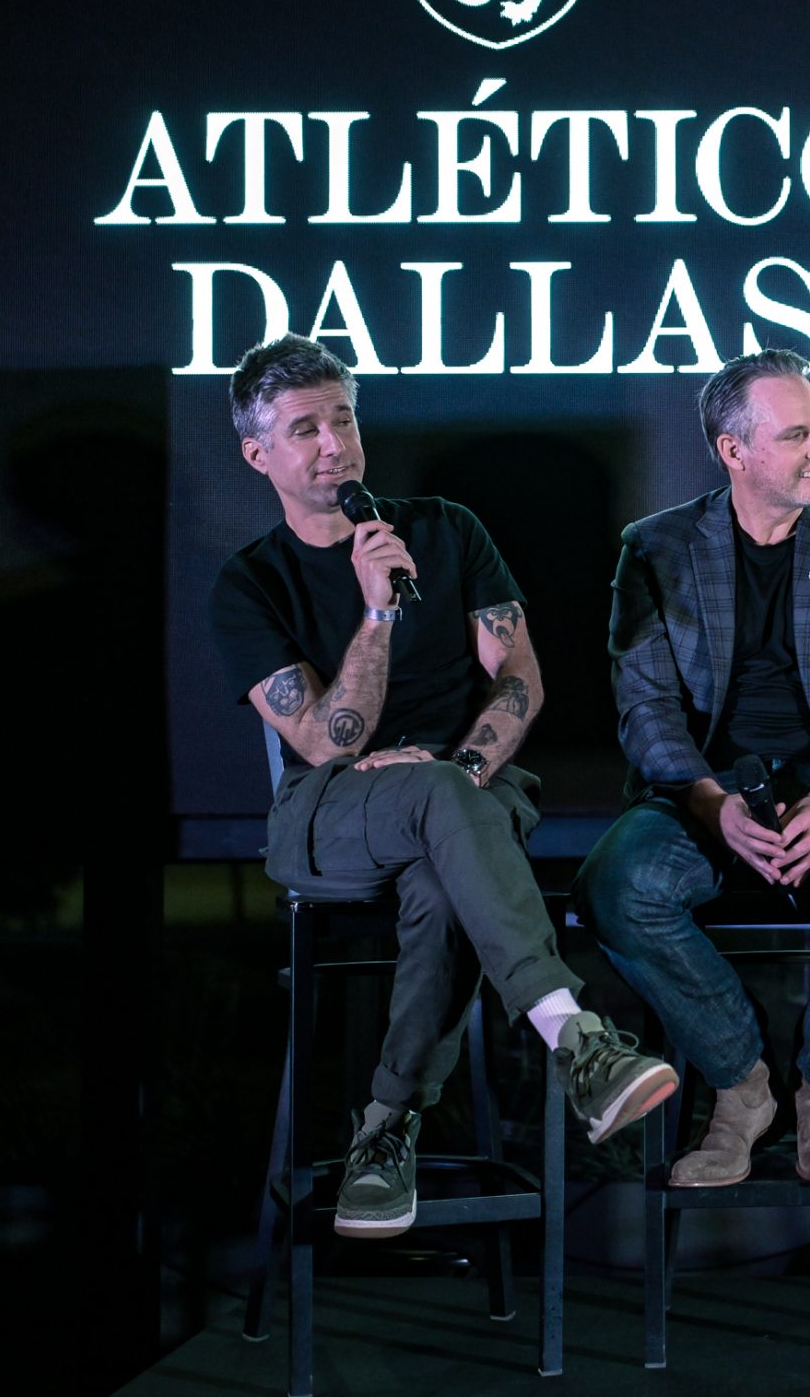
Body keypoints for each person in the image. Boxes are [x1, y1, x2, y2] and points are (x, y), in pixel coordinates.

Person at [207, 335, 675, 1239]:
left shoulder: (447, 529)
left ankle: (384, 1130)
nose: (335, 445)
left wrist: (456, 771)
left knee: (441, 873)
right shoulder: (250, 583)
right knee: (441, 810)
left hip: (468, 790)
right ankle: (577, 1039)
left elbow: (520, 678)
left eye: (344, 419)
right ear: (258, 454)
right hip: (331, 813)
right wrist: (378, 609)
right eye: (305, 430)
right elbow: (324, 739)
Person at [575, 350, 810, 1187]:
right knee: (616, 888)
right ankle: (741, 1087)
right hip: (703, 790)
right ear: (733, 451)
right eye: (794, 436)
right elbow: (645, 707)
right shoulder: (657, 547)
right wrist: (712, 805)